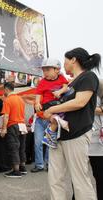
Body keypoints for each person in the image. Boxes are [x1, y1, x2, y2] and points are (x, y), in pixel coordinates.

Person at [44, 47, 100, 200]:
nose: (64, 64)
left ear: (74, 59)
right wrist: (51, 113)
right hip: (59, 135)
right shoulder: (70, 83)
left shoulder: (88, 77)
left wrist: (53, 109)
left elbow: (80, 102)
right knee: (54, 180)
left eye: (65, 60)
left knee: (80, 180)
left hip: (77, 134)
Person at [31, 58, 68, 172]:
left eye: (47, 69)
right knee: (37, 143)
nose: (45, 72)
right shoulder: (42, 81)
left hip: (53, 117)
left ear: (57, 70)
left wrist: (59, 92)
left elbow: (66, 86)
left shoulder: (62, 78)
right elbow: (38, 94)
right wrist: (37, 103)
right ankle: (39, 165)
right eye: (44, 70)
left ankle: (48, 163)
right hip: (40, 117)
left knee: (49, 142)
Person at [0, 82, 27, 178]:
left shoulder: (8, 100)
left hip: (13, 125)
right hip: (22, 125)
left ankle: (16, 170)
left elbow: (6, 116)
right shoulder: (20, 99)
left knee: (13, 147)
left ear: (6, 89)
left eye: (4, 90)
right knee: (21, 147)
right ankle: (22, 167)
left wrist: (4, 129)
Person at [89, 79, 103, 200]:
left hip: (98, 141)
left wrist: (86, 106)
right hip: (82, 138)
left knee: (99, 174)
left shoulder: (100, 91)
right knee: (79, 174)